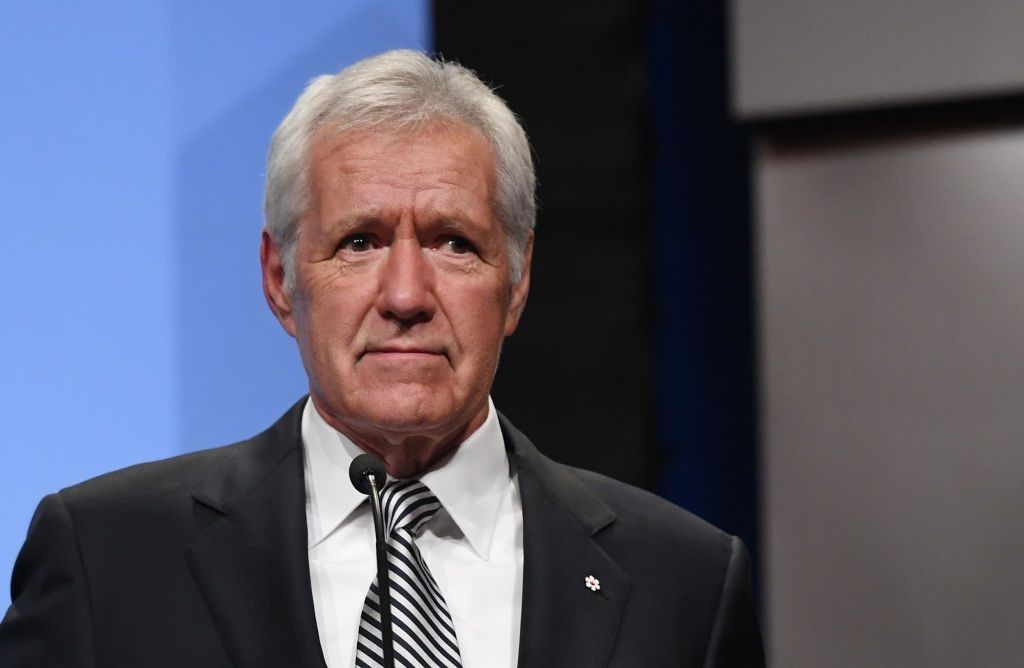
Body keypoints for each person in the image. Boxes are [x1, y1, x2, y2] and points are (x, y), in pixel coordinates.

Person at [0, 50, 764, 667]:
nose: (406, 295)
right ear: (280, 278)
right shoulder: (108, 561)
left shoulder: (686, 582)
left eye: (454, 243)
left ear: (519, 280)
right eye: (358, 242)